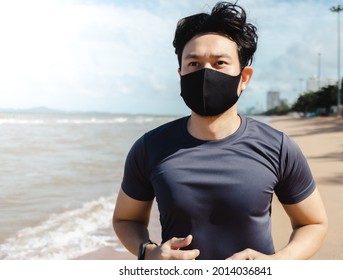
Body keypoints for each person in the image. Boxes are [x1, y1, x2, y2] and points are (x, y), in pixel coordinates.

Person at [113, 1, 328, 260]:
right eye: (194, 64)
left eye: (220, 63)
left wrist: (277, 263)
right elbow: (126, 219)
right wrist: (149, 253)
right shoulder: (150, 147)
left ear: (244, 78)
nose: (206, 73)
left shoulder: (278, 147)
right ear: (180, 73)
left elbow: (313, 223)